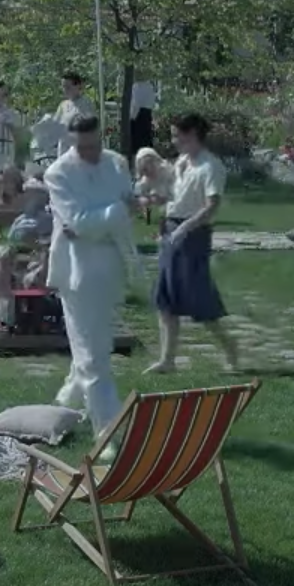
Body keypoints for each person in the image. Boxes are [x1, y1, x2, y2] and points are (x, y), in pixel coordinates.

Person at [44, 114, 138, 433]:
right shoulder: (58, 173)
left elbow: (120, 215)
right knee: (93, 355)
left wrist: (98, 222)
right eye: (81, 147)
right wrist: (114, 213)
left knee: (95, 340)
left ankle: (65, 406)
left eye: (94, 144)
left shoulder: (116, 164)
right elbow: (76, 221)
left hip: (111, 267)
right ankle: (109, 431)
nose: (90, 152)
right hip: (76, 273)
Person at [149, 113, 239, 375]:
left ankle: (230, 348)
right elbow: (172, 198)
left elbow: (212, 206)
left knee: (196, 296)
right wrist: (162, 223)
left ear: (193, 135)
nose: (174, 141)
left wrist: (186, 228)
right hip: (171, 230)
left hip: (193, 234)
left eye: (179, 135)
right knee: (165, 296)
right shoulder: (181, 163)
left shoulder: (210, 166)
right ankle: (168, 359)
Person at [52, 71, 96, 157]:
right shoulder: (63, 105)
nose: (65, 90)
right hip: (64, 149)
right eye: (63, 87)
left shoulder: (86, 103)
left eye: (68, 87)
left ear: (78, 86)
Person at [132, 147, 173, 220]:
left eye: (151, 165)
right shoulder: (144, 181)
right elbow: (140, 197)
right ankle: (148, 217)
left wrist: (161, 197)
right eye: (144, 170)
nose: (147, 172)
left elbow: (175, 193)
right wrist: (147, 200)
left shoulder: (168, 172)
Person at [129, 76, 159, 154]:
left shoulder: (136, 87)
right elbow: (152, 103)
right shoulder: (150, 86)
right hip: (147, 115)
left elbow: (136, 104)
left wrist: (132, 118)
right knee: (146, 138)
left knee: (137, 141)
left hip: (138, 116)